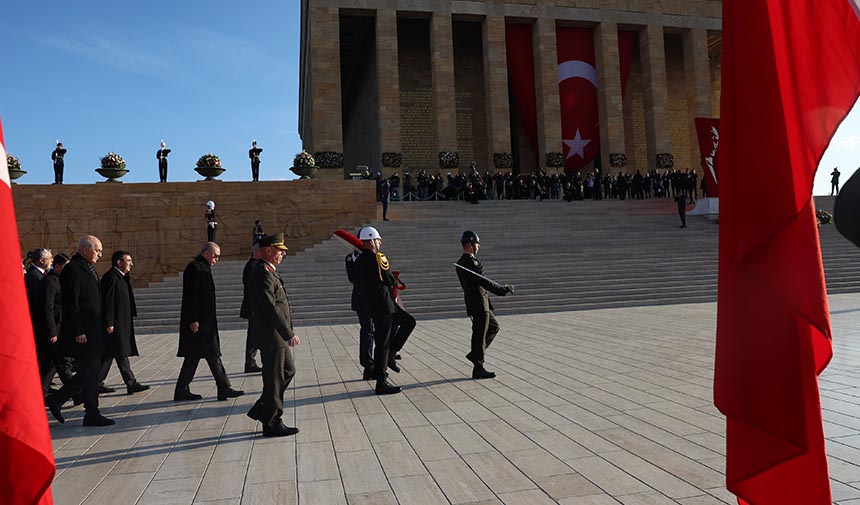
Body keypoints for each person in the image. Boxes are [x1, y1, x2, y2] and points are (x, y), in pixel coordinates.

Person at [47, 235, 114, 426]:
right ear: (85, 249)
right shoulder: (73, 270)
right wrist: (78, 330)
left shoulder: (87, 267)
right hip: (83, 333)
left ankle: (57, 400)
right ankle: (91, 413)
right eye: (97, 250)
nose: (100, 254)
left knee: (88, 372)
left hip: (93, 330)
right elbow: (71, 304)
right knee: (90, 373)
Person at [174, 242, 244, 401]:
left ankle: (183, 390)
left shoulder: (202, 266)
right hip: (199, 323)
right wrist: (193, 319)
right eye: (215, 255)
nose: (217, 259)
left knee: (196, 356)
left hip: (205, 322)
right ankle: (223, 388)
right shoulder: (195, 267)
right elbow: (191, 296)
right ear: (206, 253)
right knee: (210, 354)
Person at [246, 233, 300, 437]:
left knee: (287, 371)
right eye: (280, 250)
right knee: (275, 378)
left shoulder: (268, 271)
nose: (283, 254)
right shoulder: (262, 272)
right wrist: (288, 333)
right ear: (268, 250)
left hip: (276, 335)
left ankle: (263, 408)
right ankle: (272, 422)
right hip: (272, 335)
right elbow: (270, 308)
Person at [353, 226, 415, 395]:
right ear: (372, 241)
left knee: (408, 322)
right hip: (384, 306)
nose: (380, 243)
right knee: (382, 344)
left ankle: (392, 354)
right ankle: (382, 381)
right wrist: (393, 278)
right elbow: (388, 279)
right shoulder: (378, 258)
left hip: (375, 305)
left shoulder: (358, 261)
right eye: (378, 240)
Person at [455, 231, 513, 379]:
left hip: (480, 302)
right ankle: (478, 366)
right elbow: (483, 281)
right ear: (469, 245)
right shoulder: (469, 262)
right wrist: (501, 290)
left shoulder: (464, 262)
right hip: (478, 303)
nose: (479, 246)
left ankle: (476, 355)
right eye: (476, 244)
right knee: (479, 334)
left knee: (493, 327)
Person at [98, 251, 149, 395]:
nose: (131, 264)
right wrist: (109, 322)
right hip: (115, 323)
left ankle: (97, 381)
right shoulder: (111, 278)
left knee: (112, 353)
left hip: (122, 322)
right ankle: (130, 383)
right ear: (119, 262)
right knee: (119, 352)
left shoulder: (122, 277)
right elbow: (108, 302)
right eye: (129, 261)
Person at [35, 254, 76, 396]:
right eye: (65, 267)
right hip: (54, 329)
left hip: (62, 327)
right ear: (57, 267)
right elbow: (47, 308)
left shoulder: (61, 280)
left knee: (51, 363)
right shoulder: (50, 282)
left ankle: (42, 390)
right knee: (62, 362)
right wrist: (51, 331)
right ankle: (75, 392)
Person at [345, 242, 374, 379]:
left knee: (374, 331)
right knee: (368, 331)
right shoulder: (351, 258)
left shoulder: (371, 256)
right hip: (362, 299)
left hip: (374, 299)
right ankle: (368, 366)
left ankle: (374, 363)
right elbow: (353, 278)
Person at [240, 241, 263, 373]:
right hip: (254, 307)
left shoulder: (254, 265)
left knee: (254, 334)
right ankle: (250, 362)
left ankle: (251, 361)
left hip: (254, 307)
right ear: (257, 252)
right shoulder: (252, 266)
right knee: (254, 335)